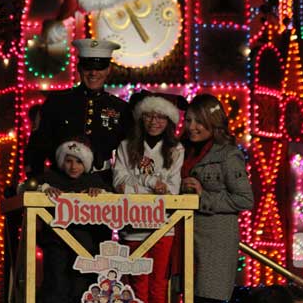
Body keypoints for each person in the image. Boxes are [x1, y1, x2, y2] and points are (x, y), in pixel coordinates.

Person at [179, 94, 254, 303]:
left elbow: (245, 199)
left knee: (206, 298)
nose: (192, 127)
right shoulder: (180, 150)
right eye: (189, 120)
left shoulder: (228, 155)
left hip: (214, 246)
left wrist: (203, 196)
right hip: (185, 239)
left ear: (214, 123)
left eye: (200, 121)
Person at [25, 38, 131, 185]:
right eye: (88, 67)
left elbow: (130, 152)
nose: (93, 73)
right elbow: (37, 146)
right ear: (79, 68)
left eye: (99, 67)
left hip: (101, 184)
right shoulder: (57, 102)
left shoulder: (120, 108)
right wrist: (39, 182)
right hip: (59, 184)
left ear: (108, 70)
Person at [113, 94, 184, 303]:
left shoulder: (176, 149)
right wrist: (152, 183)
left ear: (169, 120)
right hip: (133, 225)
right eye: (149, 116)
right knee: (137, 285)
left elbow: (172, 189)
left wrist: (136, 185)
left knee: (159, 285)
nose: (154, 122)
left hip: (163, 225)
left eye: (161, 117)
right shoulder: (126, 146)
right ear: (141, 118)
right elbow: (120, 184)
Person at [33, 139, 111, 303]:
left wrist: (100, 193)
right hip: (56, 242)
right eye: (69, 161)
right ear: (62, 161)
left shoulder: (93, 181)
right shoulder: (51, 178)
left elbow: (111, 197)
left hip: (86, 244)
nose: (73, 166)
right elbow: (28, 186)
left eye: (79, 162)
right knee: (56, 284)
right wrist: (45, 189)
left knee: (82, 285)